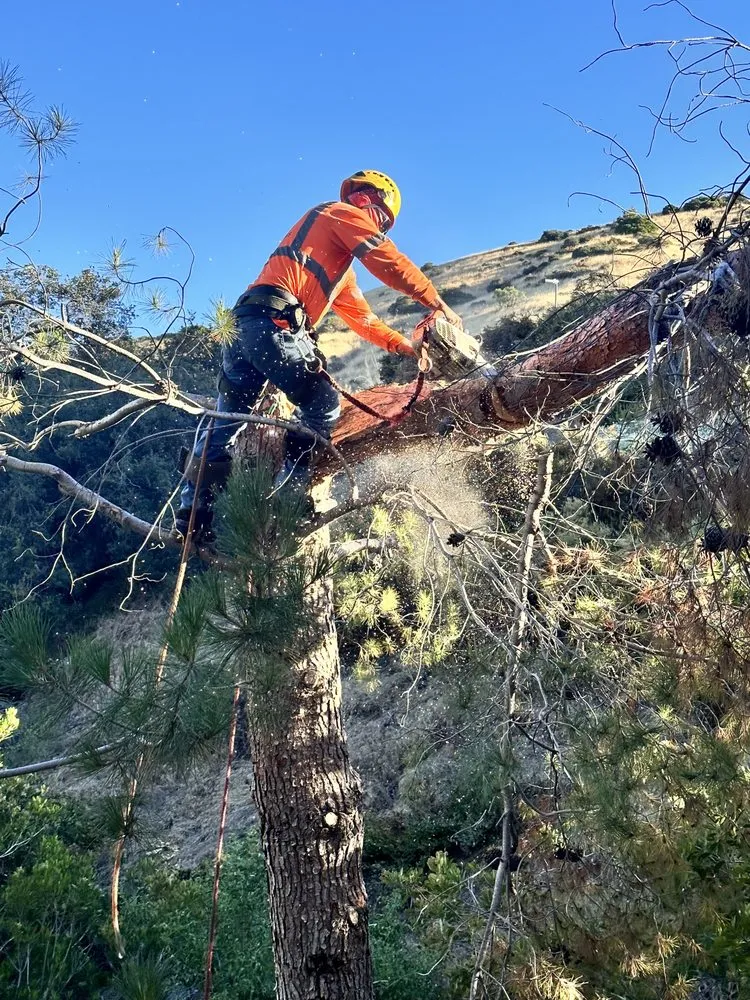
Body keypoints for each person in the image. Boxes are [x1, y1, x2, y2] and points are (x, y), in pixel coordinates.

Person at [176, 169, 463, 536]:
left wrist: (406, 347)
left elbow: (365, 321)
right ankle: (289, 496)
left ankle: (193, 513)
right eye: (381, 221)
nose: (379, 230)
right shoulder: (338, 212)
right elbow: (386, 259)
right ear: (364, 199)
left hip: (244, 327)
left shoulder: (339, 271)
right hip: (273, 324)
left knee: (227, 421)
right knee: (323, 404)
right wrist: (437, 303)